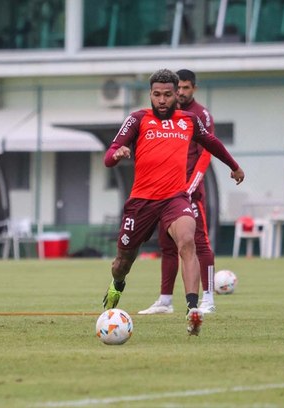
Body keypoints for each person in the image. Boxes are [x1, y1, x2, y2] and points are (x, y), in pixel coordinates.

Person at [102, 68, 244, 336]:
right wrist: (117, 154)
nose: (163, 100)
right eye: (157, 95)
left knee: (187, 241)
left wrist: (234, 166)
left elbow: (212, 143)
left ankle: (192, 310)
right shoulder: (137, 119)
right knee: (123, 261)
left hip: (174, 199)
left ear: (176, 94)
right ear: (151, 95)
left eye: (168, 94)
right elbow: (109, 155)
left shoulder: (189, 120)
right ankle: (116, 285)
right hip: (142, 201)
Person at [139, 69, 218, 315]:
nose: (181, 92)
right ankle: (165, 300)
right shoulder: (166, 116)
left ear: (193, 89)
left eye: (185, 88)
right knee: (167, 244)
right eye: (179, 88)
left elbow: (206, 153)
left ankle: (208, 298)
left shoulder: (200, 115)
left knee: (199, 242)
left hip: (189, 191)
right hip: (166, 191)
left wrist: (191, 186)